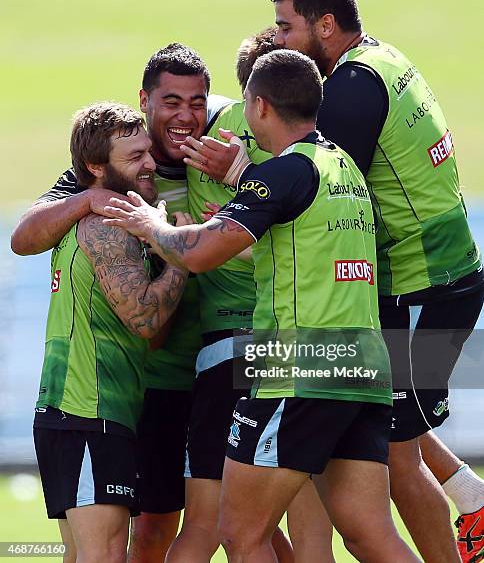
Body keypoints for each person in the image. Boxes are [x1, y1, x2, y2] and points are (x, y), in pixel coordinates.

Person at [183, 0, 484, 563]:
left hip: (424, 283)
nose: (277, 40)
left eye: (285, 27)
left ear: (325, 24)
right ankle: (469, 496)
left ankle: (467, 524)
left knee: (396, 449)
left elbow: (318, 192)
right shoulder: (380, 60)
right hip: (435, 277)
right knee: (394, 440)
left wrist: (244, 178)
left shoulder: (347, 91)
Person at [102, 49, 419, 563]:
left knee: (241, 532)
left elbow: (201, 253)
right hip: (364, 367)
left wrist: (149, 225)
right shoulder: (343, 169)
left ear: (261, 107)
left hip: (300, 369)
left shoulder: (283, 174)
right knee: (369, 536)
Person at [11, 44, 293, 562]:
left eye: (197, 101)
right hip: (150, 381)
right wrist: (86, 201)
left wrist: (242, 172)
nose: (185, 116)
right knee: (156, 528)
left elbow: (292, 179)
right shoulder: (114, 173)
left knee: (247, 520)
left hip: (229, 365)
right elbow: (25, 237)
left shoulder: (226, 146)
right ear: (145, 100)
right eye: (171, 102)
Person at [12, 44, 208, 563]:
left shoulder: (119, 219)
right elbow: (147, 320)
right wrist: (181, 253)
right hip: (88, 412)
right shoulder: (104, 223)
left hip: (90, 410)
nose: (150, 166)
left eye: (147, 154)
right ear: (96, 168)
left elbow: (152, 327)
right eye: (135, 158)